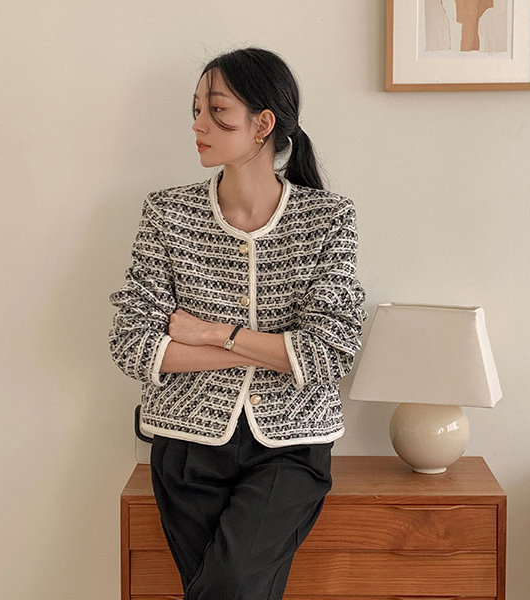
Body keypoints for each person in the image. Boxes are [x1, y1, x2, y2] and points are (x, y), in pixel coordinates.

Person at [109, 46, 367, 600]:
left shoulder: (328, 218)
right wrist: (272, 351)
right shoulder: (167, 213)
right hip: (185, 442)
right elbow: (132, 343)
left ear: (262, 124)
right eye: (196, 110)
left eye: (216, 110)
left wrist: (208, 333)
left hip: (293, 445)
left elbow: (330, 352)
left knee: (228, 584)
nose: (197, 124)